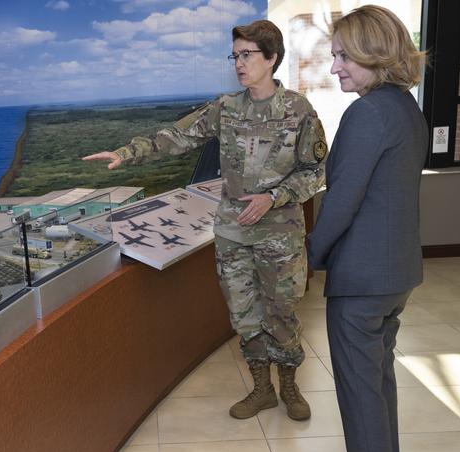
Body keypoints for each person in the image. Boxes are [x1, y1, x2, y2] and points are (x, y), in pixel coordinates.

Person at [84, 20, 327, 421]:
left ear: (272, 58)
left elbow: (314, 171)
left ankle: (289, 385)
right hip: (232, 233)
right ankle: (262, 389)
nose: (238, 63)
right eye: (235, 55)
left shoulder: (298, 111)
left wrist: (273, 197)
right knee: (243, 313)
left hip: (279, 235)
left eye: (247, 54)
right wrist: (126, 153)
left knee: (280, 312)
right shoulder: (226, 109)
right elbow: (175, 137)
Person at [307, 5, 428, 452]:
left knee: (359, 382)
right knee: (377, 376)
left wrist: (309, 258)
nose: (335, 68)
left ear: (374, 53)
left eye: (342, 57)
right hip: (395, 270)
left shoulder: (367, 113)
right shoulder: (404, 107)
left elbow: (342, 201)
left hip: (362, 278)